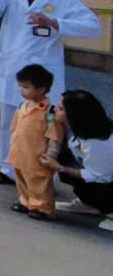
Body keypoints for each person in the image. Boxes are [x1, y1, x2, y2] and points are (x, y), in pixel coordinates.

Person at [0, 0, 100, 185]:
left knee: (45, 126)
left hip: (42, 75)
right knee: (8, 124)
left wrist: (54, 22)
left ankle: (41, 174)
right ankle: (7, 170)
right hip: (11, 69)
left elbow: (93, 27)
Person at [41, 89, 113, 231]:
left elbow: (101, 177)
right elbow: (49, 118)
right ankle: (90, 204)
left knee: (71, 172)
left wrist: (60, 168)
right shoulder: (77, 126)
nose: (55, 110)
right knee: (62, 157)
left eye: (61, 109)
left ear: (73, 115)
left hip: (105, 179)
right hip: (100, 170)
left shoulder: (96, 143)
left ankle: (106, 207)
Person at [6, 65, 63, 220]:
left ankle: (42, 207)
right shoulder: (22, 106)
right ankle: (25, 201)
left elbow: (54, 135)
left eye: (26, 87)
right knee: (21, 179)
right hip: (20, 153)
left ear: (41, 89)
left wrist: (51, 154)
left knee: (39, 183)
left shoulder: (49, 111)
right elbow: (15, 128)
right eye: (20, 86)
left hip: (37, 156)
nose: (21, 90)